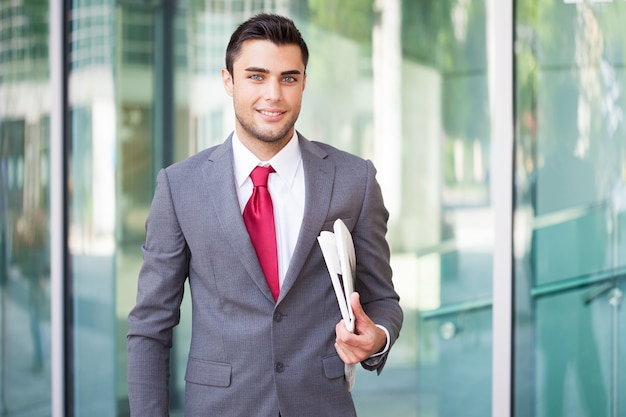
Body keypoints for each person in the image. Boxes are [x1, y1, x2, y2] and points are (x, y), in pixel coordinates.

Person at [127, 13, 403, 417]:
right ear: (228, 81)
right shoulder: (179, 187)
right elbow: (150, 326)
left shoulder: (353, 180)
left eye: (289, 78)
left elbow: (382, 299)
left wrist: (376, 337)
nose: (274, 94)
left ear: (304, 82)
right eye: (256, 76)